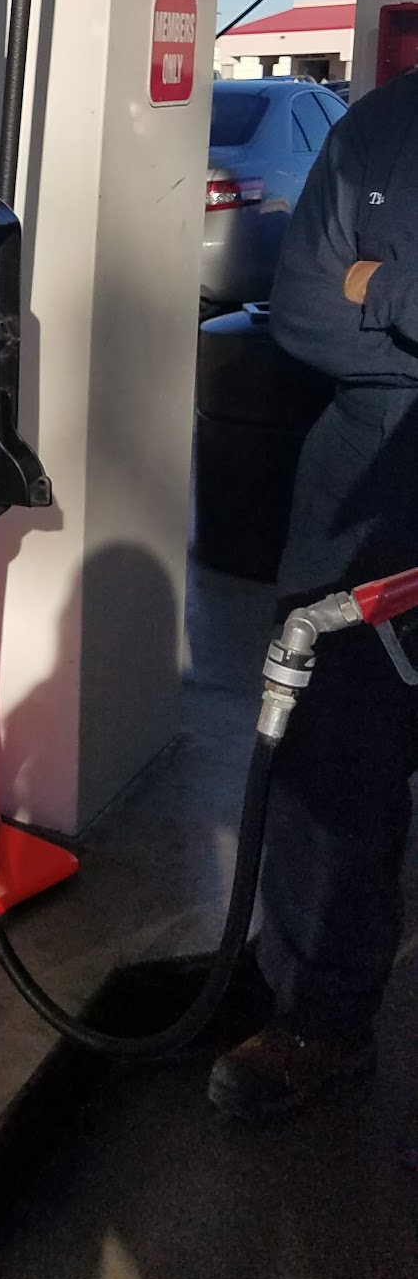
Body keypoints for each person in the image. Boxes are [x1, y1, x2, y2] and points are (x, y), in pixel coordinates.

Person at [209, 68, 418, 1119]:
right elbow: (299, 303)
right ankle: (319, 1020)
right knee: (330, 763)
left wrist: (376, 285)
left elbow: (345, 294)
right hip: (359, 475)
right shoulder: (380, 123)